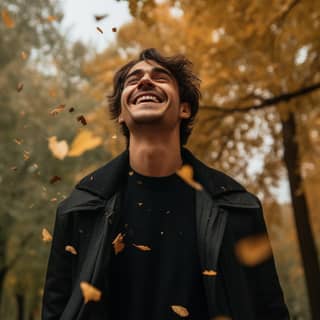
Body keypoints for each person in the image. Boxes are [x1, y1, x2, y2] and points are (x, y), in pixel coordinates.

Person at [42, 48, 290, 320]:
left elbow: (269, 308)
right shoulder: (78, 209)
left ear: (184, 108)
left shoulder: (238, 208)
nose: (145, 81)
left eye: (160, 77)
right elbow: (56, 309)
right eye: (133, 79)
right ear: (121, 114)